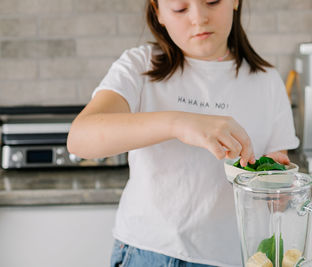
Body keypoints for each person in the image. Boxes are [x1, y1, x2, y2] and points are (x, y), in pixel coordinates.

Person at [67, 0, 299, 266]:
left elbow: (277, 186)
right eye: (180, 8)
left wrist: (278, 189)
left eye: (212, 1)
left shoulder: (267, 81)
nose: (199, 19)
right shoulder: (140, 65)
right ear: (158, 12)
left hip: (231, 257)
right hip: (147, 252)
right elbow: (80, 138)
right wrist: (179, 123)